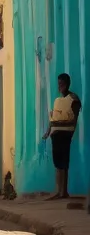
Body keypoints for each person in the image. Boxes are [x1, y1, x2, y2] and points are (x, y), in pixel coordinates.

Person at [43, 72, 81, 200]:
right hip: (55, 135)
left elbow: (74, 118)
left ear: (67, 84)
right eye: (59, 84)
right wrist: (48, 132)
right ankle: (58, 191)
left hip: (65, 134)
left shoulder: (73, 99)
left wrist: (71, 131)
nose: (60, 86)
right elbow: (53, 119)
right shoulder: (57, 101)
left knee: (64, 163)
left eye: (62, 84)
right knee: (57, 163)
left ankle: (63, 191)